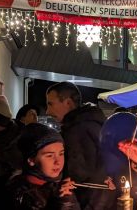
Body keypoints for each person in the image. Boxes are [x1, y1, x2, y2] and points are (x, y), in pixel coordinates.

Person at [46, 82, 115, 210]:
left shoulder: (77, 130)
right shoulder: (93, 123)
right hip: (103, 201)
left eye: (51, 104)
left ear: (68, 103)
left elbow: (78, 175)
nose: (48, 111)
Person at [6, 123, 80, 209]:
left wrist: (67, 198)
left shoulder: (55, 185)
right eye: (49, 156)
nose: (58, 162)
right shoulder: (20, 194)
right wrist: (62, 202)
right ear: (31, 160)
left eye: (61, 153)